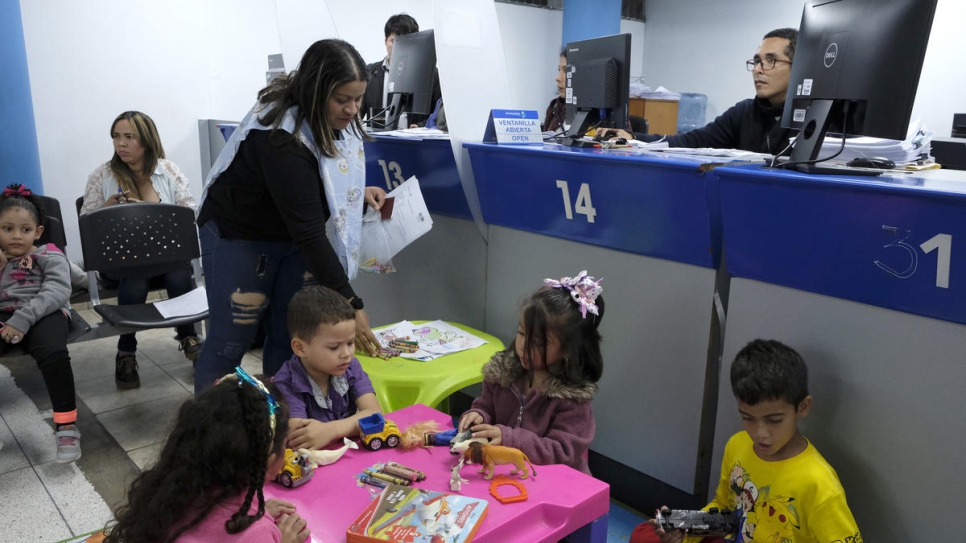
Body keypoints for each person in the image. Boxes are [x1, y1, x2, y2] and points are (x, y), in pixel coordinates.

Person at [195, 39, 387, 394]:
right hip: (240, 232)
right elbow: (310, 232)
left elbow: (319, 179)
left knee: (291, 338)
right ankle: (209, 439)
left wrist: (357, 196)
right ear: (315, 92)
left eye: (358, 99)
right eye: (342, 99)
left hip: (289, 234)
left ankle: (283, 425)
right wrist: (351, 304)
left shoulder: (326, 119)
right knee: (231, 342)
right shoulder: (282, 138)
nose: (352, 110)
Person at [630, 339, 862, 543]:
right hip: (735, 534)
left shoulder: (818, 484)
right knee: (646, 534)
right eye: (748, 418)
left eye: (774, 420)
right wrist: (683, 526)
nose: (760, 433)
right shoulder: (738, 445)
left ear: (802, 407)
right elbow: (725, 512)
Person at [104, 368, 311, 542]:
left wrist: (258, 510)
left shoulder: (170, 489)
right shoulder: (256, 534)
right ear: (269, 461)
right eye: (284, 445)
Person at [81, 111, 204, 390]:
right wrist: (110, 208)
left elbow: (189, 214)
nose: (120, 144)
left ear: (146, 141)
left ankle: (188, 339)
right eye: (116, 137)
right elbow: (86, 223)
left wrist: (149, 213)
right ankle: (127, 350)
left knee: (177, 272)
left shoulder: (168, 170)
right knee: (136, 275)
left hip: (166, 259)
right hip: (121, 264)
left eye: (128, 137)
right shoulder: (102, 175)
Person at [457, 270, 604, 475]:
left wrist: (510, 439)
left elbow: (561, 451)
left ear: (568, 349)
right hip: (506, 474)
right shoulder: (502, 376)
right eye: (521, 333)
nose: (523, 346)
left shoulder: (572, 401)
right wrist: (478, 415)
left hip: (555, 484)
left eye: (537, 342)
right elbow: (486, 405)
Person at [606, 28, 799, 154]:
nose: (758, 69)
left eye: (770, 61)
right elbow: (689, 142)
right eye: (757, 61)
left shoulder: (820, 117)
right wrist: (633, 138)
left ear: (799, 66)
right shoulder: (744, 113)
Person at [0, 184, 80, 463]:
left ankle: (66, 427)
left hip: (46, 312)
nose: (16, 236)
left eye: (25, 229)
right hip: (4, 317)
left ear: (38, 232)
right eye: (7, 229)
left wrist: (22, 320)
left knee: (54, 354)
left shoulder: (48, 254)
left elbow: (57, 291)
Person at [273, 285, 381, 450]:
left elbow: (375, 414)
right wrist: (354, 425)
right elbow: (298, 437)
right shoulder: (287, 382)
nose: (346, 354)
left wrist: (330, 431)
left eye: (350, 343)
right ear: (300, 348)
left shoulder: (350, 367)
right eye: (334, 347)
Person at [362, 13, 442, 128]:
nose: (399, 47)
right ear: (385, 41)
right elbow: (356, 112)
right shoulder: (369, 72)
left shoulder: (432, 76)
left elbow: (438, 116)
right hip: (377, 141)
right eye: (394, 41)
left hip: (413, 141)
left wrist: (421, 126)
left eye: (406, 42)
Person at [542, 50, 568, 133]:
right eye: (559, 70)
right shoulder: (554, 107)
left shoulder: (601, 114)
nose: (557, 78)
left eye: (566, 70)